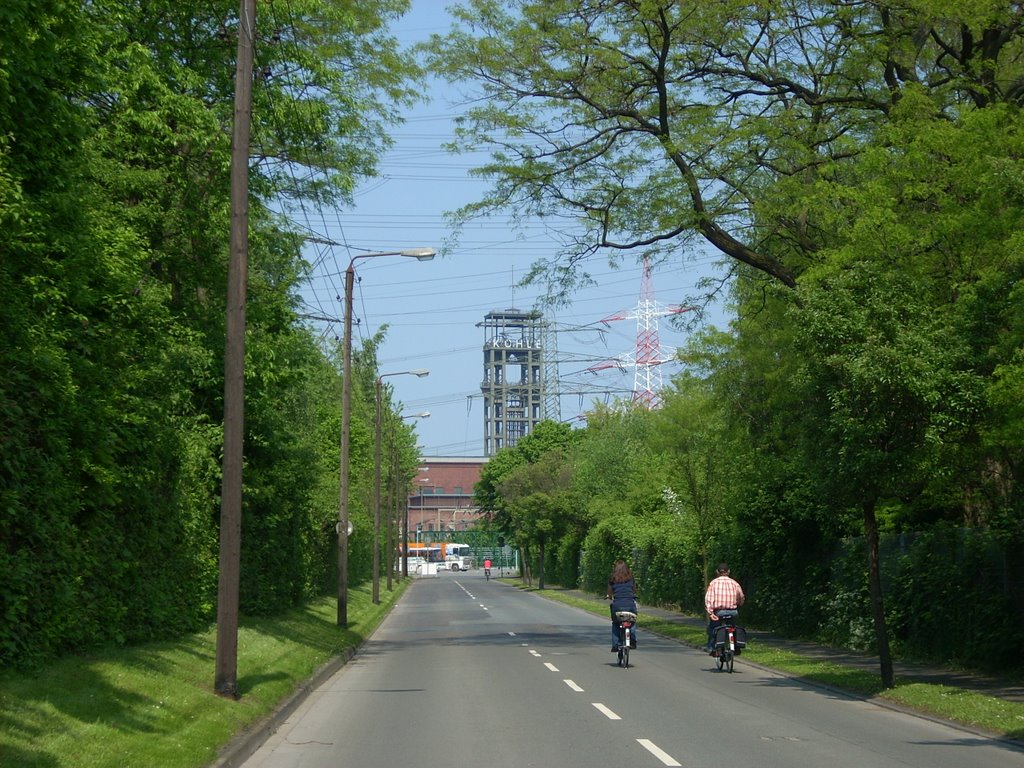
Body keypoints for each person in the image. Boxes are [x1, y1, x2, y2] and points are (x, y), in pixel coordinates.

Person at [705, 563, 744, 654]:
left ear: (717, 572)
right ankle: (736, 646)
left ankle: (713, 648)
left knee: (713, 628)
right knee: (733, 627)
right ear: (728, 572)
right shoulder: (735, 583)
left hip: (719, 612)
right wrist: (739, 603)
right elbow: (741, 597)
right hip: (733, 612)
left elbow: (709, 599)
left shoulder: (713, 583)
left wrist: (711, 613)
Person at [606, 559, 638, 652]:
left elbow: (609, 592)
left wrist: (609, 596)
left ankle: (615, 645)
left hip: (618, 607)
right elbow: (634, 589)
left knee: (616, 623)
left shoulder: (612, 578)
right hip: (630, 605)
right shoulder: (631, 577)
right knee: (631, 622)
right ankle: (632, 641)